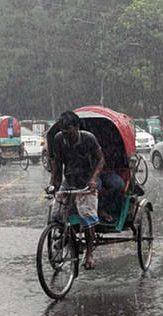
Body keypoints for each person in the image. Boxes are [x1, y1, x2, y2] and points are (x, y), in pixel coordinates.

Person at [48, 111, 105, 270]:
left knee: (87, 217)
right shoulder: (59, 139)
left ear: (77, 127)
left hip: (87, 181)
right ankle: (69, 237)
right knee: (56, 212)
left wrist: (93, 179)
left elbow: (101, 159)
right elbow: (57, 163)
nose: (66, 134)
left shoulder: (88, 138)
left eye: (69, 130)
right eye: (63, 130)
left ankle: (89, 254)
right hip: (69, 180)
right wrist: (53, 183)